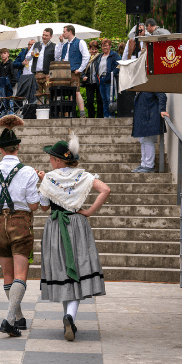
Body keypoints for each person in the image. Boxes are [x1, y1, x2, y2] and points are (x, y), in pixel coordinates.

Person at [36, 134, 110, 341]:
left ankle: (68, 316)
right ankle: (69, 316)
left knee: (62, 271)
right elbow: (105, 189)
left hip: (56, 227)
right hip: (77, 224)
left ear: (58, 160)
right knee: (78, 268)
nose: (50, 160)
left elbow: (43, 206)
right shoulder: (83, 176)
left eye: (51, 157)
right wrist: (89, 211)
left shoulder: (49, 178)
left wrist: (44, 181)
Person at [0, 117, 41, 336]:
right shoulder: (28, 172)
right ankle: (8, 319)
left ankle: (18, 317)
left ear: (1, 149)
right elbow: (34, 205)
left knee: (7, 274)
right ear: (18, 147)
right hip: (21, 222)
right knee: (20, 274)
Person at [55, 25, 91, 117]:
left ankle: (82, 113)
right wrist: (60, 42)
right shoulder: (65, 44)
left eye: (64, 32)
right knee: (66, 93)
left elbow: (86, 56)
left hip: (74, 71)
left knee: (76, 91)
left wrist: (80, 69)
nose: (63, 34)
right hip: (64, 72)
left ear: (70, 32)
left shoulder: (80, 42)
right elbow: (57, 56)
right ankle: (70, 113)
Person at [132, 90, 168, 173]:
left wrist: (162, 109)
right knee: (143, 140)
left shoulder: (152, 84)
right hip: (143, 119)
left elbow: (162, 95)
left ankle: (149, 166)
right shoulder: (141, 89)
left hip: (150, 119)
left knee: (147, 140)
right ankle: (144, 164)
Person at [95, 39, 121, 118]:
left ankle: (111, 116)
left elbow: (119, 65)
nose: (104, 47)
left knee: (109, 99)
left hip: (110, 80)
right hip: (101, 80)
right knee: (103, 100)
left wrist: (111, 74)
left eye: (106, 45)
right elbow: (97, 67)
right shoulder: (100, 56)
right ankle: (106, 116)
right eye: (103, 46)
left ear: (109, 46)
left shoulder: (114, 55)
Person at [28, 28, 56, 98]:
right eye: (43, 35)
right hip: (37, 74)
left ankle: (49, 108)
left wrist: (52, 73)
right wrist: (31, 54)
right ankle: (39, 108)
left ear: (51, 36)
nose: (44, 37)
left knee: (49, 94)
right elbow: (27, 58)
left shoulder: (54, 46)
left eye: (46, 35)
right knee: (38, 95)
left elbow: (57, 60)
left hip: (48, 75)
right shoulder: (36, 45)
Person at [0, 48, 17, 113]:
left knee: (9, 103)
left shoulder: (11, 63)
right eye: (1, 53)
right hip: (1, 87)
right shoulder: (0, 65)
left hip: (9, 87)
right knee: (2, 104)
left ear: (8, 54)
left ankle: (10, 116)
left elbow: (14, 76)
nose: (3, 55)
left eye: (4, 53)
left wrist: (11, 86)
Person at [13, 40, 38, 105]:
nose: (30, 46)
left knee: (33, 97)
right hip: (23, 78)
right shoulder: (23, 52)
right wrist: (22, 63)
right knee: (21, 97)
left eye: (32, 45)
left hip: (34, 78)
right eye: (29, 44)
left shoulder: (37, 52)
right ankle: (21, 111)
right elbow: (14, 64)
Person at [82, 40, 101, 119]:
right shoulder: (86, 58)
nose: (94, 51)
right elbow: (82, 69)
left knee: (99, 100)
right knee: (90, 101)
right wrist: (83, 76)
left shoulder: (100, 57)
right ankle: (91, 117)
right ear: (89, 49)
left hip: (98, 82)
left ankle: (100, 117)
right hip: (89, 82)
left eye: (95, 49)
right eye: (92, 49)